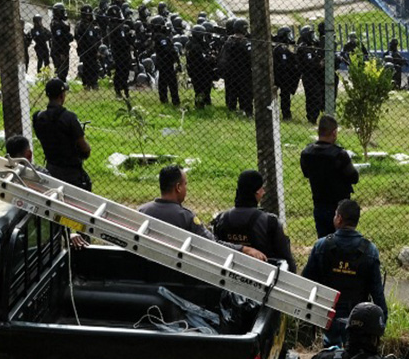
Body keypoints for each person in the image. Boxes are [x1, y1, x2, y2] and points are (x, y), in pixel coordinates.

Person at [138, 165, 268, 260]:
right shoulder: (186, 217)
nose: (186, 188)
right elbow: (212, 244)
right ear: (178, 187)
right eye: (185, 184)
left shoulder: (142, 211)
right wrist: (243, 249)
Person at [301, 199, 386, 346]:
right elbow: (377, 292)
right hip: (358, 320)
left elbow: (306, 281)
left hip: (326, 315)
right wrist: (382, 320)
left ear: (339, 218)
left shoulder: (321, 245)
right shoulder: (369, 250)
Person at [211, 170, 296, 268]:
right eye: (262, 188)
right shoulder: (270, 222)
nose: (263, 192)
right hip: (264, 276)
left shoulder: (221, 219)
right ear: (257, 191)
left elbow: (215, 247)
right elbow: (287, 259)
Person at [299, 114, 359, 237]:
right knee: (342, 241)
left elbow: (306, 174)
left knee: (324, 240)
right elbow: (354, 177)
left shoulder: (306, 153)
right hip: (340, 209)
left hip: (319, 204)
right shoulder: (339, 155)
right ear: (334, 132)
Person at [32, 77, 93, 190]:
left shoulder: (38, 117)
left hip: (51, 168)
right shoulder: (69, 118)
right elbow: (85, 148)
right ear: (62, 95)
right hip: (71, 172)